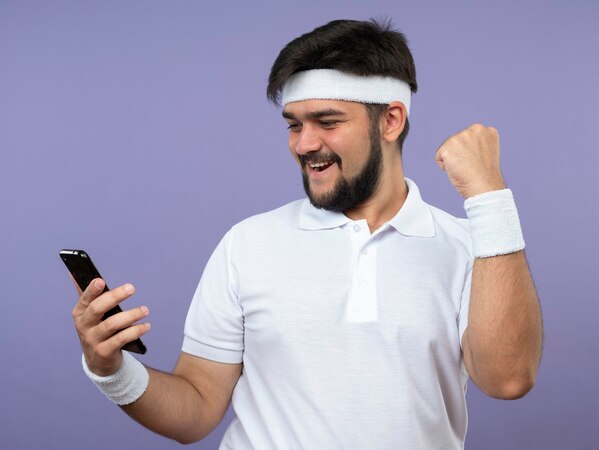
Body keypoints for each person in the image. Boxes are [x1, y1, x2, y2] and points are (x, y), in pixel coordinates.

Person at [71, 19, 543, 449]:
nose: (304, 144)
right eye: (294, 124)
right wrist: (111, 370)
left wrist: (488, 196)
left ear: (391, 120)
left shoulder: (471, 247)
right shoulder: (247, 244)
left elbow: (508, 380)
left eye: (328, 121)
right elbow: (195, 411)